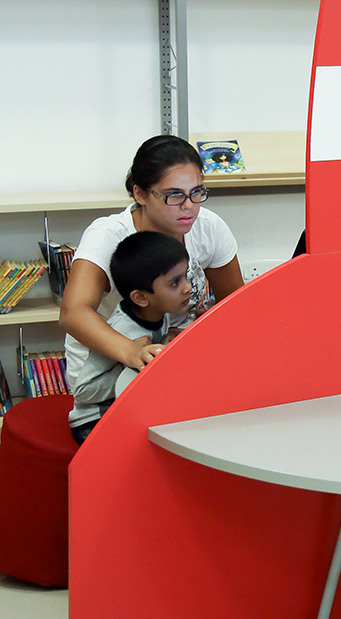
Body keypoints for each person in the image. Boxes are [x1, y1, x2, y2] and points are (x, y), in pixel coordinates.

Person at [61, 134, 243, 425]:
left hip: (175, 356)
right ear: (140, 194)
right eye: (174, 195)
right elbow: (73, 313)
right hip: (109, 367)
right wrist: (132, 351)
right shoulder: (109, 235)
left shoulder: (208, 227)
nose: (189, 206)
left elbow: (236, 307)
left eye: (196, 192)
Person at [68, 232, 192, 443]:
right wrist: (131, 367)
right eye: (175, 283)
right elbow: (83, 391)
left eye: (185, 276)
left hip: (126, 405)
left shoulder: (160, 311)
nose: (187, 287)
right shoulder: (121, 331)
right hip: (95, 420)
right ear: (141, 297)